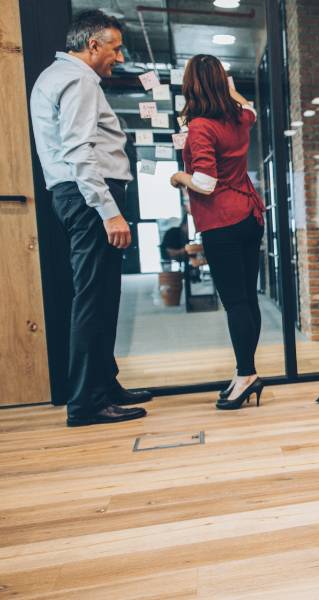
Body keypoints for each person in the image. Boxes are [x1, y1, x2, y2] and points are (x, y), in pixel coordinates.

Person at [30, 10, 153, 427]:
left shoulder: (54, 76)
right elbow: (80, 153)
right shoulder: (79, 79)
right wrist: (109, 212)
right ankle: (86, 403)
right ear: (93, 44)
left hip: (74, 196)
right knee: (93, 300)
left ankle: (104, 384)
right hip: (88, 198)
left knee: (102, 297)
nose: (118, 57)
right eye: (115, 48)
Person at [169, 54, 267, 410]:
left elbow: (205, 183)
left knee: (235, 302)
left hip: (222, 221)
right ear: (221, 84)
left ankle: (245, 375)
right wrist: (235, 92)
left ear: (191, 84)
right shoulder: (238, 117)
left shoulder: (201, 127)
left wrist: (178, 177)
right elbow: (252, 110)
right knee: (247, 299)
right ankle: (247, 372)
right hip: (250, 215)